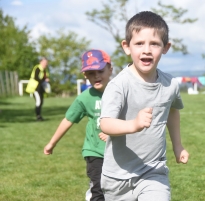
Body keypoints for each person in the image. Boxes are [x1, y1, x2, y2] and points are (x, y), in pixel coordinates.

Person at [99, 11, 189, 201]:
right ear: (126, 47)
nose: (146, 50)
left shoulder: (170, 84)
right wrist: (134, 125)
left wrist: (178, 146)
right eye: (139, 43)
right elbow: (105, 124)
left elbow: (172, 111)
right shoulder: (118, 85)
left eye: (154, 44)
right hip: (117, 178)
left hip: (153, 171)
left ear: (165, 47)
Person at [44, 49, 113, 201]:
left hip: (119, 151)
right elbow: (68, 120)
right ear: (85, 75)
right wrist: (51, 143)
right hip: (95, 151)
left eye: (100, 71)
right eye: (90, 73)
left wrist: (114, 131)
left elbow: (134, 119)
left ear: (110, 69)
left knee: (118, 191)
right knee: (99, 189)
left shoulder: (121, 91)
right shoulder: (84, 98)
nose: (96, 76)